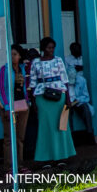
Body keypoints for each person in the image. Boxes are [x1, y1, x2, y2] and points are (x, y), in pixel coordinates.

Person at [28, 37, 76, 166]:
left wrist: (68, 99)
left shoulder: (58, 60)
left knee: (60, 126)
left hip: (59, 95)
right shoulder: (35, 62)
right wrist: (33, 102)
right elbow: (32, 82)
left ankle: (61, 157)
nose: (51, 50)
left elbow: (65, 79)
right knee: (45, 127)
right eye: (49, 48)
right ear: (43, 48)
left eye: (53, 48)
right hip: (42, 96)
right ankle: (46, 158)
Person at [0, 44, 30, 170]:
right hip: (9, 107)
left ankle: (20, 165)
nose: (12, 57)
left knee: (20, 138)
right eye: (10, 54)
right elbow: (1, 90)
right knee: (9, 138)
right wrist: (6, 107)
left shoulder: (22, 69)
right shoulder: (3, 70)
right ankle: (10, 168)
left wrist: (27, 102)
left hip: (22, 106)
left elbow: (25, 88)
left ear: (20, 56)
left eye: (15, 54)